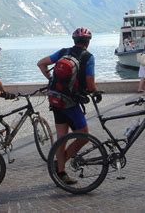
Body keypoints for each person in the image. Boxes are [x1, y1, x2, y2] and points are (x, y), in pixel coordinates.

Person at [37, 27, 97, 185]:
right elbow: (90, 85)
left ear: (74, 41)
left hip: (55, 100)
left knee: (61, 137)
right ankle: (59, 164)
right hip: (71, 103)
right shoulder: (88, 57)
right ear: (88, 42)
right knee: (84, 135)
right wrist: (94, 92)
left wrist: (50, 79)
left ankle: (61, 170)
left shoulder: (63, 52)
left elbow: (41, 64)